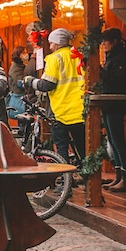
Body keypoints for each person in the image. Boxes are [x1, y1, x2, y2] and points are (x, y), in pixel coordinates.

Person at [31, 28, 85, 164]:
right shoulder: (78, 56)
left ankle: (65, 179)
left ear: (56, 43)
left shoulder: (55, 58)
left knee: (61, 148)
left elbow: (47, 84)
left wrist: (31, 82)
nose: (50, 46)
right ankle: (87, 179)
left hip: (60, 110)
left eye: (51, 43)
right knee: (82, 148)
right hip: (79, 109)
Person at [100, 29, 126, 193]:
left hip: (115, 102)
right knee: (113, 141)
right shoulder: (112, 57)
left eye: (106, 41)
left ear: (114, 41)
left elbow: (117, 81)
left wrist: (101, 72)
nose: (103, 45)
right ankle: (119, 175)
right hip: (108, 103)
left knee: (118, 141)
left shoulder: (122, 59)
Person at [1, 46, 29, 121]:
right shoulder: (16, 68)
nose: (26, 54)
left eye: (26, 52)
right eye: (23, 53)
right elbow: (19, 83)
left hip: (20, 96)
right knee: (21, 119)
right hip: (18, 97)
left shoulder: (21, 66)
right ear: (18, 55)